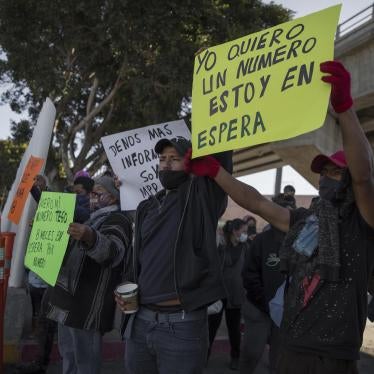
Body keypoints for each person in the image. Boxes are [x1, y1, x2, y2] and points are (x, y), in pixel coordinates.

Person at [185, 60, 374, 374]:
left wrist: (344, 108)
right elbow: (257, 203)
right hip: (289, 346)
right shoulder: (305, 221)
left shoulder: (364, 221)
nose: (328, 177)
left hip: (334, 356)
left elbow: (363, 177)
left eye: (336, 171)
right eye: (324, 171)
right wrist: (216, 172)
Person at [116, 137, 232, 374]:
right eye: (162, 159)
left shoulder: (202, 196)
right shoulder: (146, 207)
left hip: (182, 326)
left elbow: (222, 160)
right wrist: (125, 285)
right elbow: (139, 257)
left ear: (189, 163)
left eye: (175, 159)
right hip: (141, 321)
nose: (166, 165)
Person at [46, 175, 132, 374]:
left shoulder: (118, 220)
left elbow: (112, 253)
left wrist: (89, 236)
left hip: (87, 308)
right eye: (92, 192)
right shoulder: (92, 218)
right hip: (69, 303)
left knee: (85, 363)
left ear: (112, 197)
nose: (92, 197)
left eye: (98, 193)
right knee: (69, 357)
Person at [240, 194, 295, 374]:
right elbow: (249, 274)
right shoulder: (262, 240)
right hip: (259, 309)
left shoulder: (303, 241)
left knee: (280, 360)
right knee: (251, 353)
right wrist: (266, 302)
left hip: (287, 313)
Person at [208, 218, 248, 370]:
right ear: (234, 231)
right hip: (219, 292)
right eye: (243, 231)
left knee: (234, 329)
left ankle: (235, 357)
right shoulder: (221, 246)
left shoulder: (246, 247)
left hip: (236, 293)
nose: (245, 234)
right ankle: (204, 354)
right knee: (212, 327)